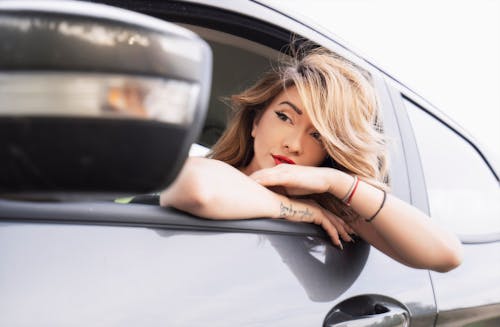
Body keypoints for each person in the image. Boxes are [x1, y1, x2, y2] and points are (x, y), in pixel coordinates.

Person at [159, 46, 463, 273]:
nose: (293, 144)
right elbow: (195, 190)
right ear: (255, 122)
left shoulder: (334, 212)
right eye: (284, 117)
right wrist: (300, 210)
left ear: (331, 150)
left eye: (318, 136)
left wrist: (336, 182)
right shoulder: (216, 174)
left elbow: (446, 255)